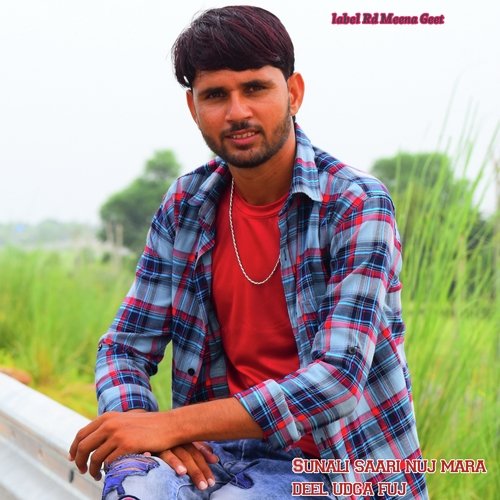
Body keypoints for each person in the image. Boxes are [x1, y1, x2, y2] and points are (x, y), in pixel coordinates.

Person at [69, 5, 428, 499]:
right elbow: (124, 347)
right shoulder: (187, 205)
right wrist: (143, 425)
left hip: (335, 469)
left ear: (293, 93)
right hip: (217, 456)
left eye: (255, 88)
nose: (237, 112)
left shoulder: (355, 203)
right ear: (193, 107)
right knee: (134, 486)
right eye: (216, 95)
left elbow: (338, 380)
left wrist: (173, 424)